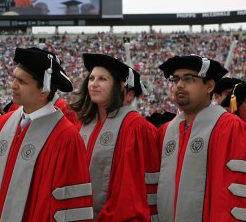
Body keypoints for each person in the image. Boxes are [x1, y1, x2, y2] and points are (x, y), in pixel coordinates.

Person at [0, 47, 93, 221]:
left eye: (22, 82)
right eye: (14, 78)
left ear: (44, 91)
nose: (13, 85)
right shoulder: (2, 126)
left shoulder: (66, 138)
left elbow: (70, 207)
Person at [70, 53, 160, 221]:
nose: (94, 84)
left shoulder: (136, 128)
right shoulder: (83, 126)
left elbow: (129, 195)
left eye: (102, 79)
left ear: (122, 88)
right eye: (91, 78)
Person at [157, 55, 246, 221]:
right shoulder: (165, 132)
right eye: (175, 80)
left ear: (210, 86)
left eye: (188, 79)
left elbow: (234, 196)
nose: (179, 85)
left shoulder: (230, 128)